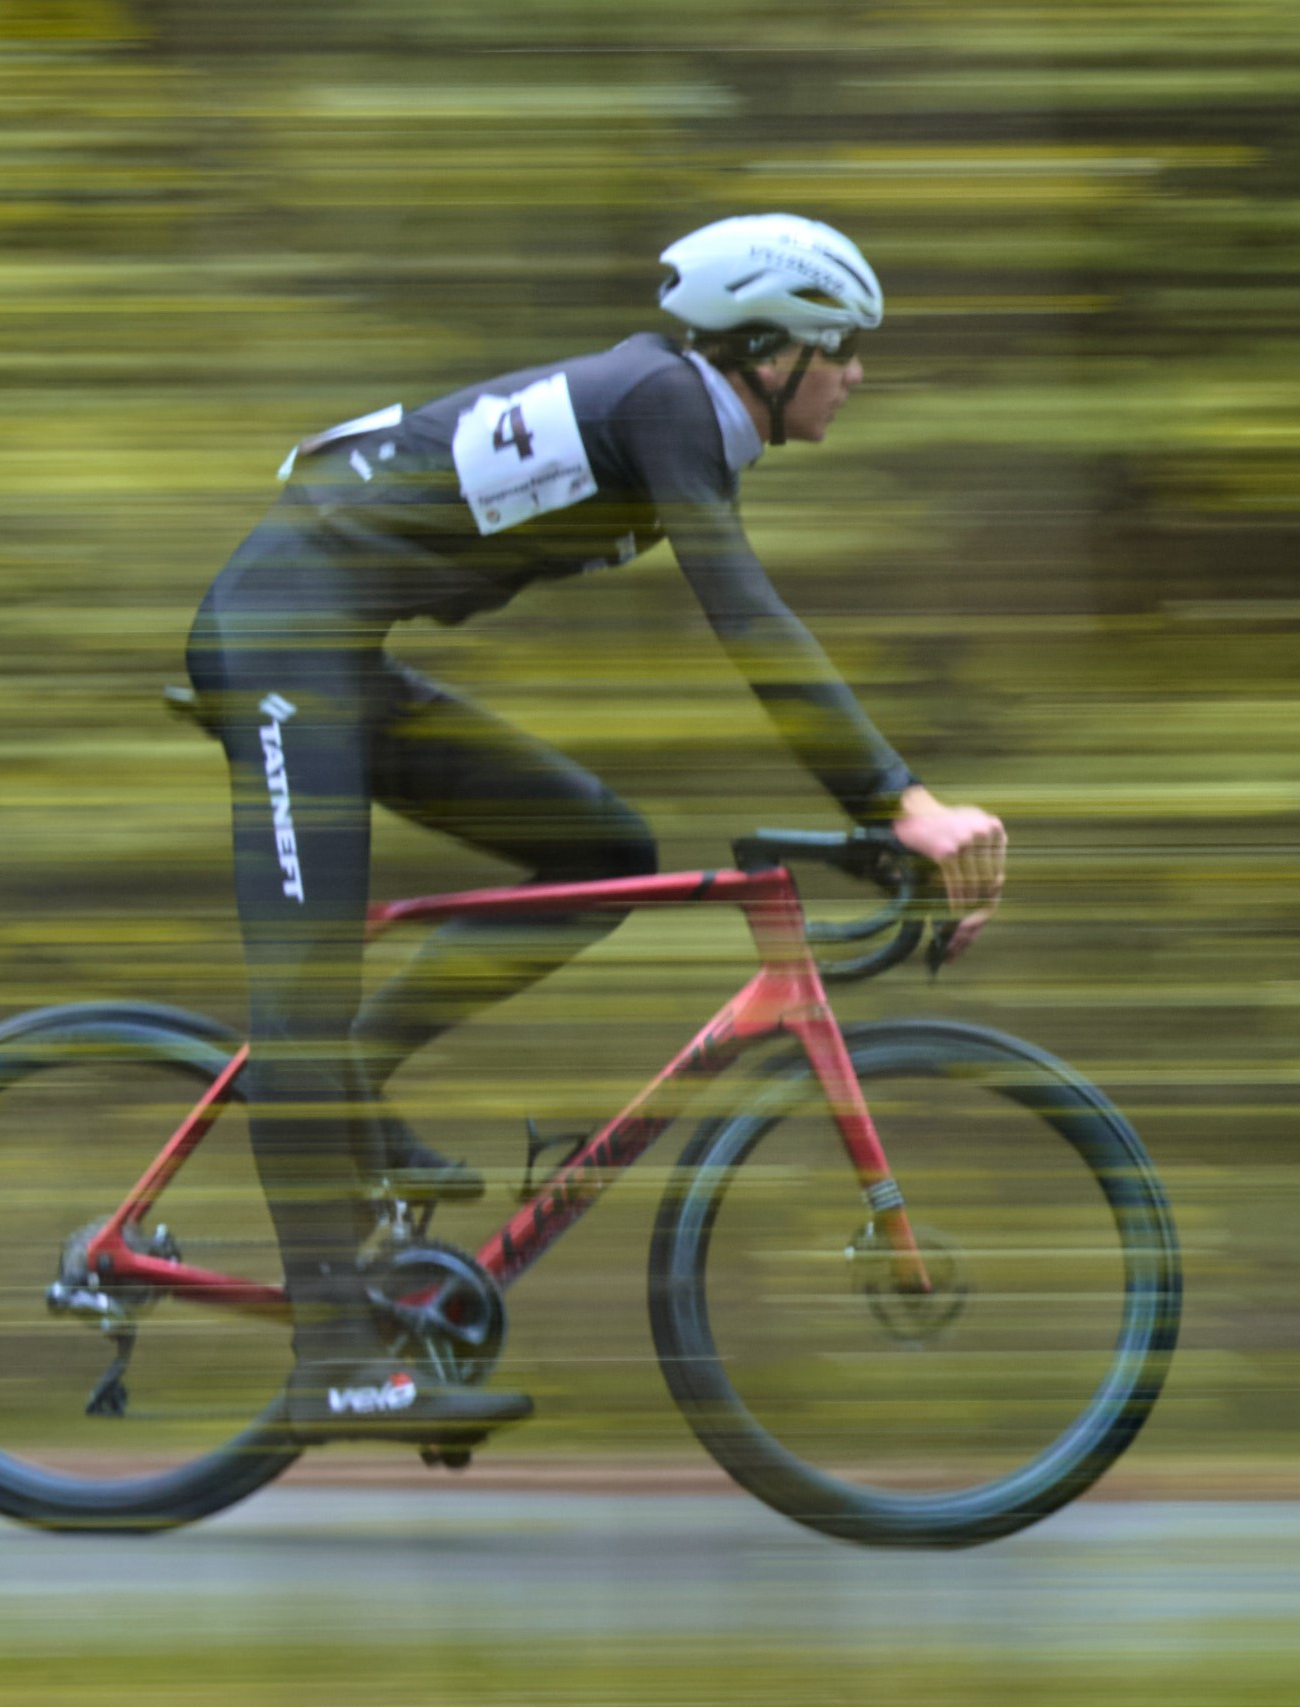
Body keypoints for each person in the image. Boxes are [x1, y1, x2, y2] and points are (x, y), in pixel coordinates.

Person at [184, 214, 1007, 1444]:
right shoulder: (667, 400)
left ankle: (351, 1080)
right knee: (298, 1001)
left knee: (606, 853)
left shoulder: (676, 415)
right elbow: (750, 620)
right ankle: (334, 1361)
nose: (857, 373)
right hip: (276, 646)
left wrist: (882, 815)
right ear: (770, 351)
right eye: (842, 347)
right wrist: (901, 800)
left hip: (339, 652)